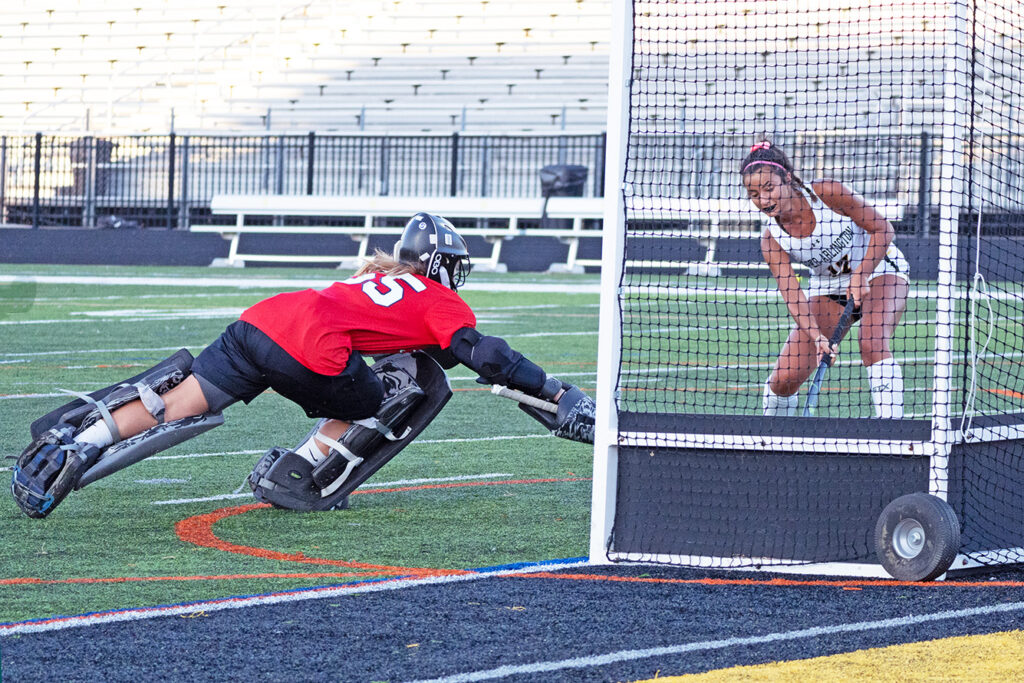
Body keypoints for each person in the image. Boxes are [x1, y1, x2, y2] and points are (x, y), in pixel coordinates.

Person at [12, 212, 594, 518]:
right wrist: (552, 387)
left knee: (183, 401)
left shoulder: (375, 277)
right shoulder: (436, 296)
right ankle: (303, 470)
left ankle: (83, 438)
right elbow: (482, 356)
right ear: (438, 264)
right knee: (403, 388)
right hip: (311, 347)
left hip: (262, 321)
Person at [740, 140, 910, 418]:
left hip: (879, 269)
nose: (764, 200)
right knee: (784, 379)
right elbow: (794, 298)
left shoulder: (827, 193)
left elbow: (883, 229)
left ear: (787, 177)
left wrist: (861, 274)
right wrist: (817, 337)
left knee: (871, 340)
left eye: (769, 188)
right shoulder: (772, 241)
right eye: (754, 193)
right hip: (828, 288)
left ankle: (892, 432)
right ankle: (771, 445)